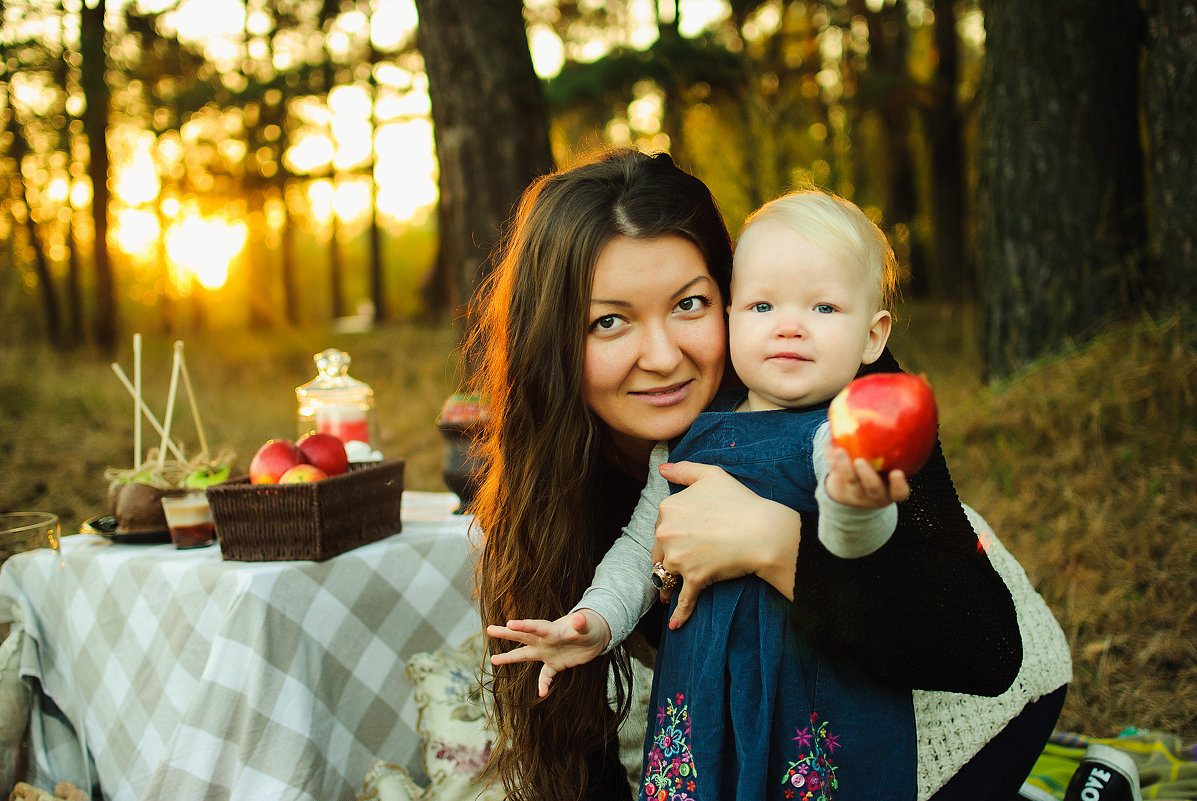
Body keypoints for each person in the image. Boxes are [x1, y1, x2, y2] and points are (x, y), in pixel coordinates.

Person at [469, 148, 1070, 801]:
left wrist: (773, 542)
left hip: (960, 710)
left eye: (689, 303)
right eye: (608, 320)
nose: (662, 355)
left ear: (726, 295)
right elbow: (580, 722)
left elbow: (982, 650)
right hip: (773, 728)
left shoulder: (837, 378)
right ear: (551, 338)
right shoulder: (569, 468)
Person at [490, 189, 919, 800]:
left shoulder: (842, 433)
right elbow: (645, 544)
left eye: (824, 308)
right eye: (763, 305)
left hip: (812, 697)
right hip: (704, 695)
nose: (790, 326)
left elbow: (862, 542)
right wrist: (598, 620)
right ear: (733, 312)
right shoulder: (694, 434)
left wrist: (858, 498)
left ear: (872, 336)